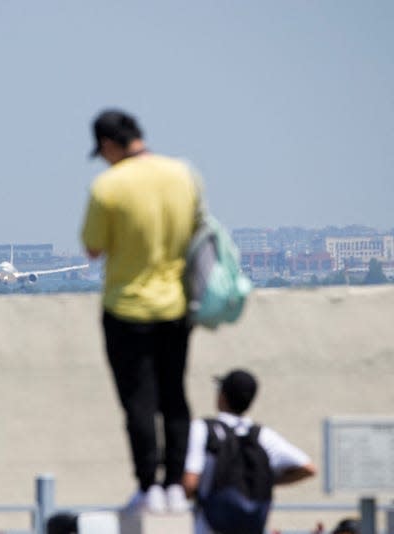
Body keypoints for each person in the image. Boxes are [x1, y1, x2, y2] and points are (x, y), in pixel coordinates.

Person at [80, 109, 199, 513]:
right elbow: (197, 232)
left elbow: (92, 248)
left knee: (138, 402)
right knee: (175, 397)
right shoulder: (183, 174)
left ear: (108, 145)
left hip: (126, 307)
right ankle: (177, 487)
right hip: (175, 305)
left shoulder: (108, 186)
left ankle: (148, 484)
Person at [183, 369, 317, 534]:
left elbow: (190, 483)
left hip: (210, 527)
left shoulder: (202, 429)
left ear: (222, 397)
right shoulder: (262, 436)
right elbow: (308, 468)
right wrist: (267, 480)